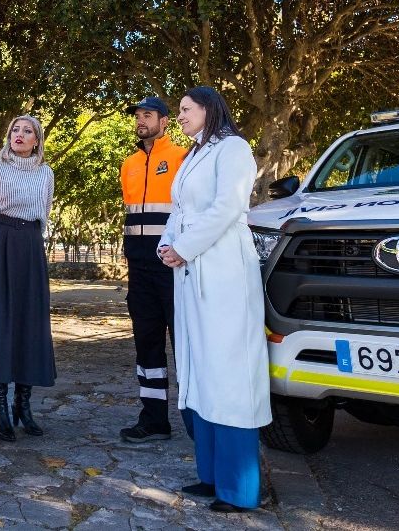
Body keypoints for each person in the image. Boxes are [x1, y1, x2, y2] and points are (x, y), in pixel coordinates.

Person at [158, 86, 271, 513]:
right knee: (198, 367)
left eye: (187, 109)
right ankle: (210, 475)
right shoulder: (192, 157)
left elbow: (227, 208)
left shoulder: (234, 149)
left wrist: (184, 247)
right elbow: (179, 212)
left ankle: (239, 488)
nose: (181, 115)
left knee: (226, 370)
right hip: (189, 273)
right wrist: (168, 246)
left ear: (209, 108)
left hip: (223, 270)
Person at [0, 114, 56, 441]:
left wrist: (25, 239)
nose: (19, 135)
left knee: (29, 323)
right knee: (0, 321)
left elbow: (44, 213)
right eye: (15, 130)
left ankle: (24, 403)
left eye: (27, 131)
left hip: (31, 247)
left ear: (37, 139)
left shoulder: (45, 173)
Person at [117, 95, 189, 444]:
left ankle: (196, 419)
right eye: (138, 115)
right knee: (147, 343)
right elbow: (132, 215)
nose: (141, 120)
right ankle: (154, 418)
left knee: (185, 342)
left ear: (165, 122)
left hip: (173, 265)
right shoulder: (128, 163)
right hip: (140, 268)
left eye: (148, 114)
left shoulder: (182, 157)